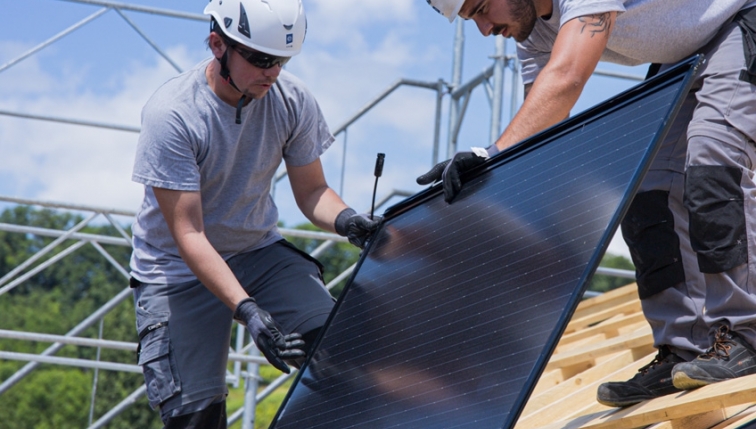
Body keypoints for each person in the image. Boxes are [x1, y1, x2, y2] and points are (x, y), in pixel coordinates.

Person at [423, 0, 756, 408]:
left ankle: (747, 335)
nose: (484, 29)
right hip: (688, 52)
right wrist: (484, 187)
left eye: (481, 8)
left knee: (713, 162)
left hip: (738, 20)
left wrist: (490, 153)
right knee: (647, 192)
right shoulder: (532, 33)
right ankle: (684, 348)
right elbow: (540, 129)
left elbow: (566, 79)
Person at [128, 0, 380, 426]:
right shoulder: (172, 115)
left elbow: (313, 191)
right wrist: (248, 311)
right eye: (261, 59)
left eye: (281, 60)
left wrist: (348, 221)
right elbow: (189, 235)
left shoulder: (291, 98)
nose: (272, 72)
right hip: (176, 271)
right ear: (217, 45)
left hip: (257, 251)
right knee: (198, 419)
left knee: (342, 353)